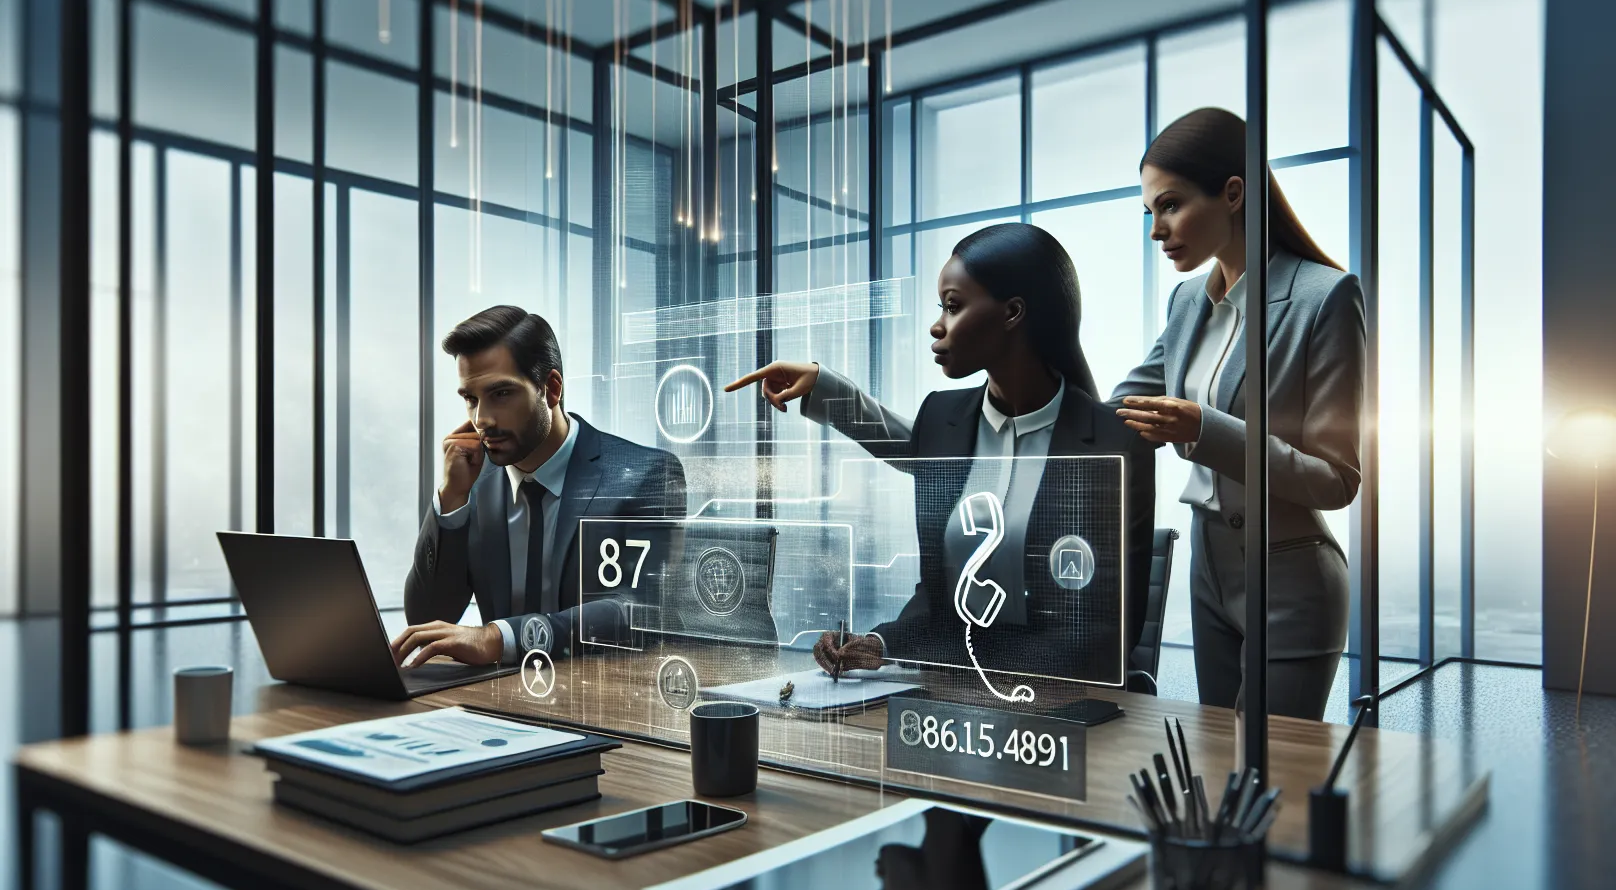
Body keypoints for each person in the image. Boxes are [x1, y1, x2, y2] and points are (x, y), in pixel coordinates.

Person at [726, 223, 1155, 696]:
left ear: (1013, 312)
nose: (937, 326)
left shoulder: (1115, 443)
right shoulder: (941, 417)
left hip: (1064, 713)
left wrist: (966, 671)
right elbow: (937, 599)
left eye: (953, 306)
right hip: (950, 701)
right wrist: (878, 643)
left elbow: (1100, 636)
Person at [1111, 107, 1365, 721]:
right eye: (1150, 212)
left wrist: (1205, 429)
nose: (1157, 231)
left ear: (1232, 193)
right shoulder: (1186, 303)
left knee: (1272, 775)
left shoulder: (1324, 296)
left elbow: (1337, 480)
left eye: (1169, 206)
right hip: (1208, 572)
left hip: (1291, 577)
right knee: (1218, 763)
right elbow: (1120, 407)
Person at [393, 306, 686, 669]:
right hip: (492, 703)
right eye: (471, 399)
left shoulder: (644, 475)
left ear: (551, 389)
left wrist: (500, 638)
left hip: (601, 700)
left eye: (501, 394)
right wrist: (451, 502)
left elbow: (640, 610)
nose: (481, 419)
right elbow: (427, 619)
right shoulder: (474, 483)